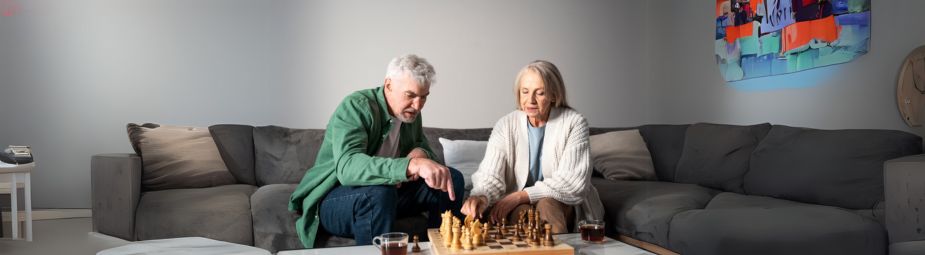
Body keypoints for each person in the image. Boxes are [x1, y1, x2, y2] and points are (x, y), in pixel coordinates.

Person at [288, 54, 465, 248]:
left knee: (450, 178)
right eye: (410, 95)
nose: (417, 105)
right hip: (337, 198)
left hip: (389, 196)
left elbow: (423, 148)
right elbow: (348, 168)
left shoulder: (410, 113)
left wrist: (421, 153)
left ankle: (442, 249)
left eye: (423, 97)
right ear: (388, 85)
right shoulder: (356, 106)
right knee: (379, 192)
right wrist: (409, 165)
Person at [460, 60, 604, 234]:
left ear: (553, 95)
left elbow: (572, 182)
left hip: (560, 203)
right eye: (525, 92)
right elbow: (490, 174)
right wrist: (482, 196)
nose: (531, 100)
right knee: (522, 213)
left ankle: (558, 247)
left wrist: (521, 196)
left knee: (546, 204)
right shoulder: (505, 125)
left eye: (540, 93)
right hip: (518, 205)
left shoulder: (574, 122)